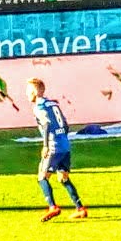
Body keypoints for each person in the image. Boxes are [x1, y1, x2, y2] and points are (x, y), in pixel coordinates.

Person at [29, 78, 87, 222]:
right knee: (63, 178)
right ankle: (80, 209)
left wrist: (46, 145)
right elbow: (65, 125)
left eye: (28, 91)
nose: (26, 94)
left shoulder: (39, 107)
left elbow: (46, 124)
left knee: (42, 177)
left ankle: (52, 207)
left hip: (53, 146)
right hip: (65, 145)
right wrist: (62, 138)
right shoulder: (53, 104)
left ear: (34, 92)